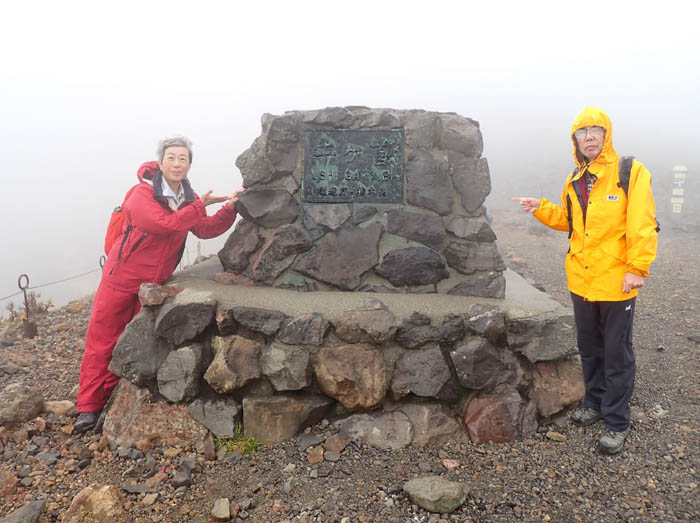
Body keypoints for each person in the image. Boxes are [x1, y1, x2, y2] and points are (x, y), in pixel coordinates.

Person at [513, 107, 658, 454]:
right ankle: (593, 404)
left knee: (617, 353)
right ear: (575, 140)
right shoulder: (576, 177)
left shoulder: (630, 172)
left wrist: (637, 268)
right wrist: (541, 208)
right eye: (582, 132)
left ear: (606, 135)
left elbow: (642, 223)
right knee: (590, 348)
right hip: (582, 280)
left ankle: (616, 420)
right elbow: (572, 221)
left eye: (595, 130)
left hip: (616, 282)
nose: (589, 136)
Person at [74, 136, 243, 433]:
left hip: (153, 283)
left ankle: (114, 393)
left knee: (137, 340)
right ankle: (88, 407)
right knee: (102, 340)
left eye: (183, 159)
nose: (177, 163)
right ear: (161, 162)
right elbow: (163, 224)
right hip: (120, 278)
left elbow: (205, 229)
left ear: (189, 164)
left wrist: (231, 207)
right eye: (172, 158)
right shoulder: (142, 193)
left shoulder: (188, 198)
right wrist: (197, 206)